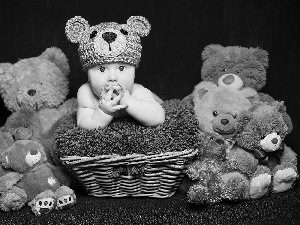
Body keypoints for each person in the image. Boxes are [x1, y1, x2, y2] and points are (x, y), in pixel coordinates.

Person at [65, 16, 165, 129]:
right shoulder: (86, 93)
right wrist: (103, 112)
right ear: (88, 74)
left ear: (134, 72)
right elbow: (82, 124)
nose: (112, 77)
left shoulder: (138, 91)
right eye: (102, 69)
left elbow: (159, 118)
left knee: (158, 102)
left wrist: (130, 102)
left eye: (121, 68)